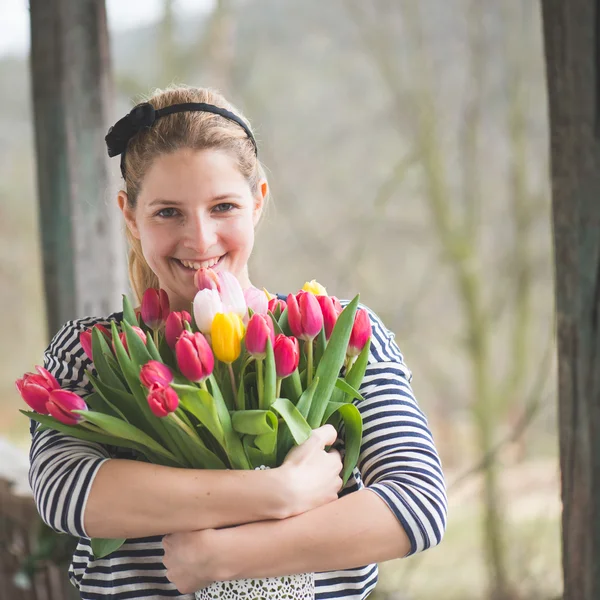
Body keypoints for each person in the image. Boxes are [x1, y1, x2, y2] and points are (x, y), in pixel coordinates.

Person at [28, 85, 447, 599]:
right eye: (167, 212)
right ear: (129, 215)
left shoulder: (331, 331)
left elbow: (418, 505)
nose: (200, 240)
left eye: (222, 206)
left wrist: (218, 558)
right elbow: (66, 493)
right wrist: (277, 491)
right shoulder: (91, 351)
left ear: (258, 202)